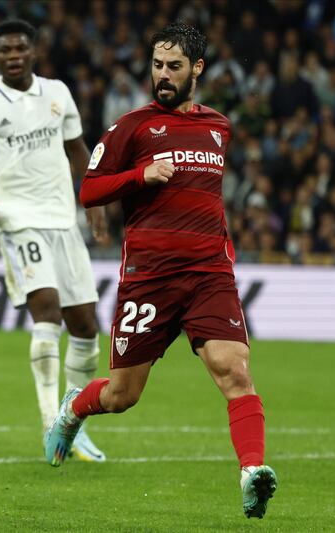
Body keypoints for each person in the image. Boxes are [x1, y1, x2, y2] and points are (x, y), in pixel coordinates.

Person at [44, 23, 278, 519]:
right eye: (156, 66)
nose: (163, 76)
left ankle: (252, 472)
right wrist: (140, 176)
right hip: (149, 279)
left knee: (234, 370)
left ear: (197, 68)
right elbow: (89, 191)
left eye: (174, 67)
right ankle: (74, 410)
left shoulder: (219, 126)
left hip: (209, 274)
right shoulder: (133, 126)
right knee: (122, 394)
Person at [0, 19, 108, 462]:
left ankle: (73, 424)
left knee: (85, 326)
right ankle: (47, 425)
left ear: (33, 51)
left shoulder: (58, 93)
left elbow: (78, 149)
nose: (13, 56)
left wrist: (94, 202)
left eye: (20, 48)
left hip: (63, 219)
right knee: (48, 313)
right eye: (5, 50)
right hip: (16, 219)